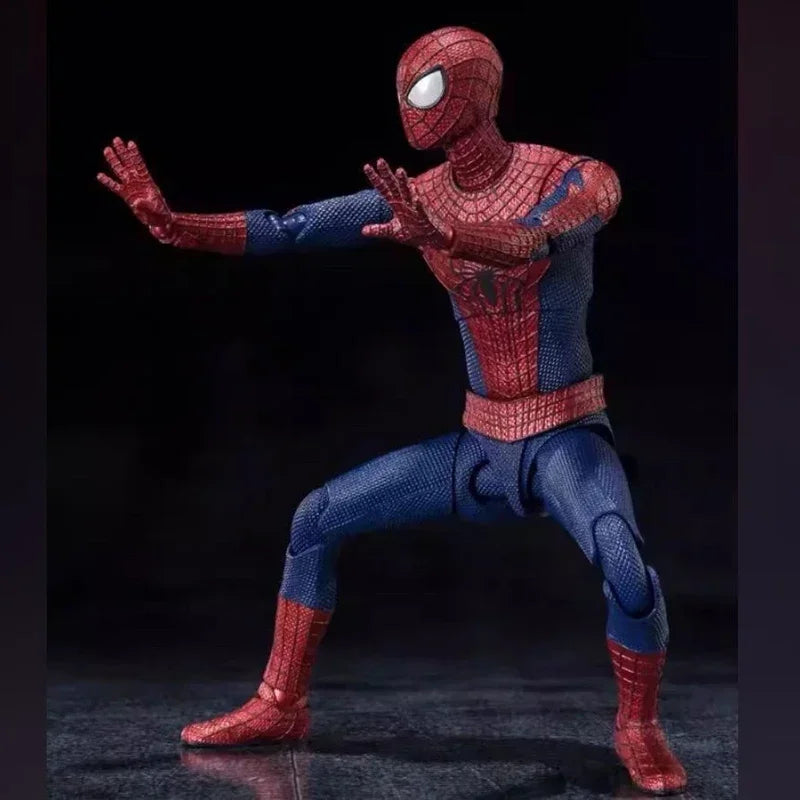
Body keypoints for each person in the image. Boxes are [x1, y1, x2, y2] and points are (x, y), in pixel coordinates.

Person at [98, 26, 687, 796]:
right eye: (406, 90)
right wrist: (178, 225)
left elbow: (537, 238)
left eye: (429, 88)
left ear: (478, 89)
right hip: (480, 445)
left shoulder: (574, 176)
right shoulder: (419, 195)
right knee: (316, 518)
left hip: (563, 438)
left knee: (625, 567)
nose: (413, 106)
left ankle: (638, 726)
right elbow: (290, 227)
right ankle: (280, 702)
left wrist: (449, 234)